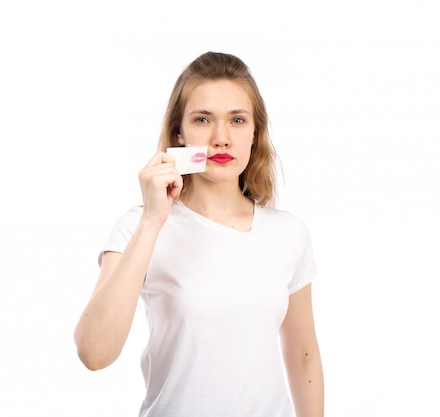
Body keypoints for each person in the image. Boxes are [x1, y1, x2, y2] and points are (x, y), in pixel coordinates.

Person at [74, 52, 324, 417]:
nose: (221, 138)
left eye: (237, 120)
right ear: (180, 133)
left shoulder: (289, 233)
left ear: (255, 133)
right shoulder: (138, 226)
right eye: (203, 119)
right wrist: (152, 221)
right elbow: (94, 353)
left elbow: (303, 357)